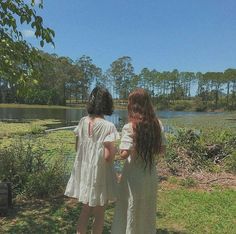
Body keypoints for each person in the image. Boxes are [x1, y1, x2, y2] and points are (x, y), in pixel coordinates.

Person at [64, 86, 119, 234]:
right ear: (107, 103)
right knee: (100, 211)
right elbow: (108, 157)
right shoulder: (109, 126)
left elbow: (77, 148)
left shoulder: (82, 121)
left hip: (86, 172)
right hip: (100, 174)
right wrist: (115, 150)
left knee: (86, 209)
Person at [111, 88, 167, 234]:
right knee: (146, 208)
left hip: (132, 176)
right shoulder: (158, 125)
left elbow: (124, 154)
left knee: (131, 206)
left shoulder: (129, 127)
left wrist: (114, 150)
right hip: (150, 174)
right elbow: (161, 150)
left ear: (133, 105)